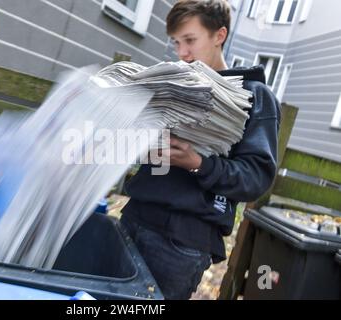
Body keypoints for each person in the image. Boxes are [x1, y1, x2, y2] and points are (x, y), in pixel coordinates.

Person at [120, 0, 281, 300]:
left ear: (219, 35)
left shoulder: (254, 96)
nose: (182, 53)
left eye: (190, 40)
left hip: (181, 241)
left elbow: (256, 178)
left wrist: (198, 163)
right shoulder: (170, 83)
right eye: (177, 43)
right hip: (133, 217)